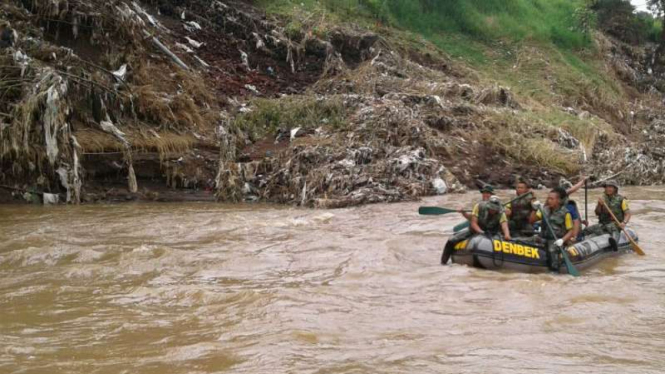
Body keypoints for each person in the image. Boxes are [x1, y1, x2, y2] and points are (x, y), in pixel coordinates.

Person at [529, 188, 574, 269]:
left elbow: (571, 231)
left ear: (559, 201)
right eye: (548, 198)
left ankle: (554, 270)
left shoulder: (565, 213)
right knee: (528, 240)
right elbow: (532, 220)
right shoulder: (544, 210)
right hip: (543, 237)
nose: (549, 200)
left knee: (552, 250)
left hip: (556, 240)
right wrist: (534, 209)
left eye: (552, 199)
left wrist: (562, 240)